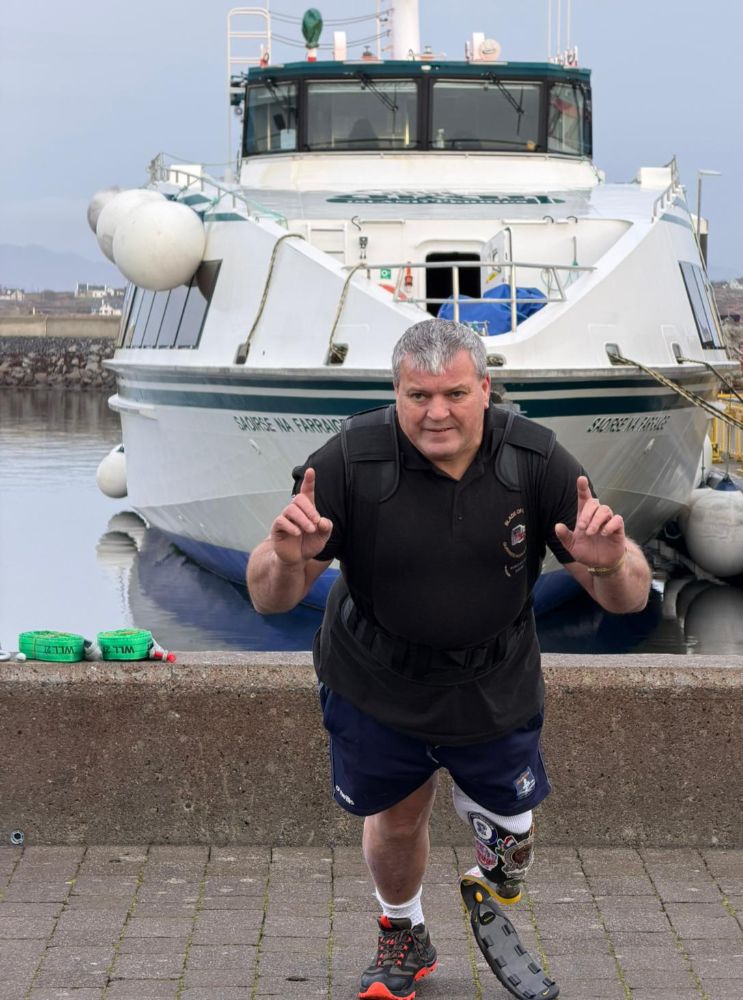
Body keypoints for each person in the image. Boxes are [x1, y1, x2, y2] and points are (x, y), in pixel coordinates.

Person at [247, 319, 651, 1000]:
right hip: (378, 677)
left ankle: (496, 860)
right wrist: (290, 559)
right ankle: (402, 932)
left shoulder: (536, 459)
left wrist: (608, 566)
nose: (436, 413)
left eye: (456, 393)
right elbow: (268, 594)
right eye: (418, 396)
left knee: (515, 836)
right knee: (399, 818)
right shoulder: (349, 460)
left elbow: (629, 595)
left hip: (493, 676)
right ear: (396, 392)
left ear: (485, 389)